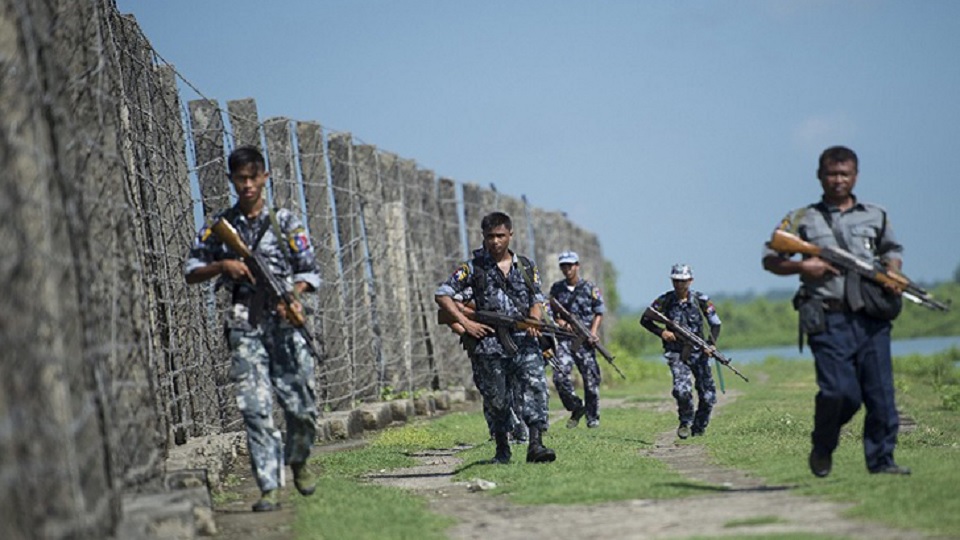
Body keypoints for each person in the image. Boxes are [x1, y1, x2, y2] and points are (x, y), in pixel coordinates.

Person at [185, 146, 321, 511]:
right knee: (255, 408)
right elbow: (191, 270)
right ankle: (269, 487)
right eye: (240, 179)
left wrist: (293, 295)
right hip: (245, 324)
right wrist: (223, 266)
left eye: (252, 178)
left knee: (302, 406)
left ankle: (299, 459)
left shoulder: (286, 223)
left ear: (265, 178)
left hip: (285, 324)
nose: (247, 185)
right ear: (232, 180)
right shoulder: (220, 227)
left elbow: (309, 270)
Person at [762, 145, 910, 477]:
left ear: (855, 176)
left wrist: (893, 273)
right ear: (820, 176)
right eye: (832, 173)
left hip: (871, 316)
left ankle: (882, 462)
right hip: (826, 317)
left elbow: (892, 251)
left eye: (845, 174)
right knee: (840, 393)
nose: (838, 180)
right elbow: (770, 258)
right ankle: (823, 443)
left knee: (881, 395)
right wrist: (804, 267)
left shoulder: (876, 215)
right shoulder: (801, 218)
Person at [435, 211, 556, 464]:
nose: (495, 241)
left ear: (510, 235)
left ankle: (536, 444)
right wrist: (466, 323)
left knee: (536, 387)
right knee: (497, 399)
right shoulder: (473, 268)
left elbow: (537, 298)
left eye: (500, 235)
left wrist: (534, 320)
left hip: (524, 341)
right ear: (483, 236)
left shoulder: (526, 266)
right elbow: (443, 294)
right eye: (490, 236)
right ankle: (502, 449)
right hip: (490, 344)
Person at [640, 264, 721, 439]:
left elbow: (715, 324)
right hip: (676, 352)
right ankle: (686, 421)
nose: (679, 285)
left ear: (690, 281)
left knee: (708, 396)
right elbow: (645, 319)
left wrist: (710, 345)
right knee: (681, 390)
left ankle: (699, 426)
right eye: (676, 281)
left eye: (683, 281)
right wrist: (662, 332)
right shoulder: (665, 300)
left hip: (698, 352)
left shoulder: (701, 300)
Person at [548, 251, 606, 429]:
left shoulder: (590, 287)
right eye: (563, 266)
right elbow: (550, 312)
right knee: (559, 376)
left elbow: (599, 311)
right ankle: (576, 406)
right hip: (565, 339)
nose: (567, 269)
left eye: (570, 265)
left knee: (591, 380)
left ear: (577, 266)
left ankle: (592, 417)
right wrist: (562, 323)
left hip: (585, 339)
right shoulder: (557, 289)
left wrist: (593, 332)